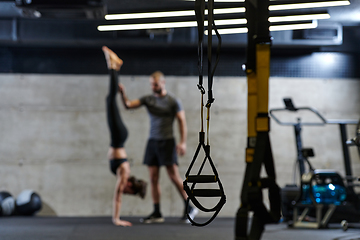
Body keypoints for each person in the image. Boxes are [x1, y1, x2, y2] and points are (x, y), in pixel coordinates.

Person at [119, 70, 198, 223]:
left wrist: (183, 142)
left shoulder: (173, 101)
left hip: (167, 142)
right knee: (153, 178)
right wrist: (123, 93)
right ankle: (157, 212)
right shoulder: (148, 100)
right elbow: (128, 105)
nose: (153, 87)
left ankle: (190, 206)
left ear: (163, 83)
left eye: (155, 84)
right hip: (152, 142)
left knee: (173, 176)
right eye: (151, 85)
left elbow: (182, 121)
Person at [102, 46, 147, 227]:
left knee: (109, 100)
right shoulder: (124, 173)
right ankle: (113, 65)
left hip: (118, 137)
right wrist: (116, 219)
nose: (125, 192)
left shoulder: (124, 172)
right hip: (118, 136)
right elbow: (117, 196)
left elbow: (120, 193)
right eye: (129, 192)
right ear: (130, 185)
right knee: (109, 100)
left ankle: (115, 66)